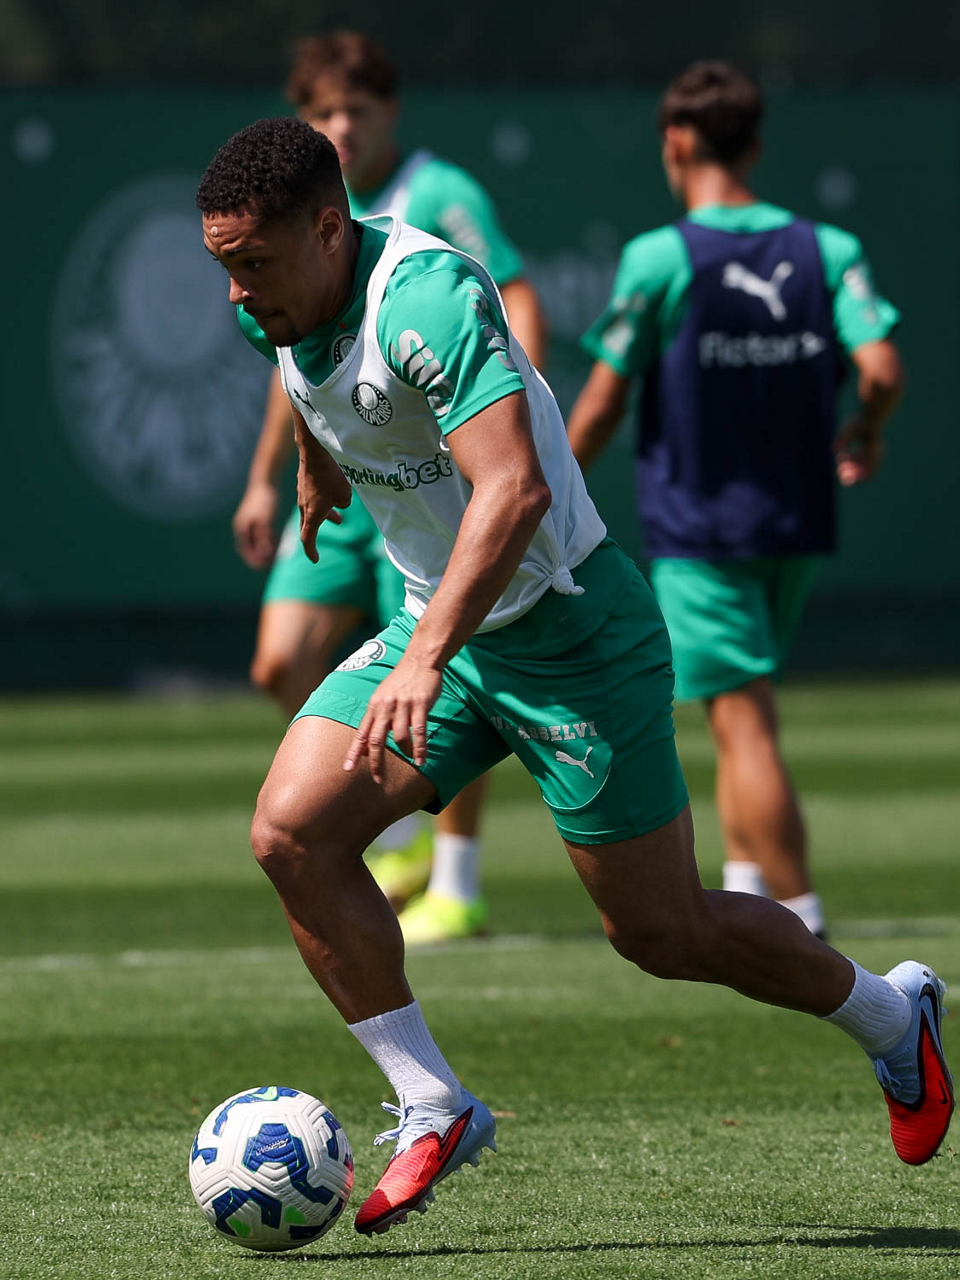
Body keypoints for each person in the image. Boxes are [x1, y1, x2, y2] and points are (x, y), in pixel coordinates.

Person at [196, 116, 952, 1239]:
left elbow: (514, 491)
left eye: (253, 263)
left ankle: (891, 1016)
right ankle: (433, 1102)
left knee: (662, 934)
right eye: (223, 265)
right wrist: (315, 465)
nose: (236, 292)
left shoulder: (428, 298)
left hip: (570, 632)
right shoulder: (276, 300)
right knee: (289, 834)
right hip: (443, 627)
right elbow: (307, 370)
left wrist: (424, 653)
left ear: (325, 229)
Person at [567, 62, 905, 940]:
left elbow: (601, 402)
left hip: (702, 530)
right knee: (738, 714)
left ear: (675, 142)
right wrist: (865, 429)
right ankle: (747, 886)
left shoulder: (659, 257)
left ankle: (801, 923)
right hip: (796, 523)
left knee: (744, 724)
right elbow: (880, 369)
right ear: (753, 145)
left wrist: (543, 491)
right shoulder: (828, 249)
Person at [231, 31, 547, 945]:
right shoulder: (287, 214)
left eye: (355, 111)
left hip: (430, 476)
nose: (339, 127)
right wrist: (274, 473)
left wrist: (511, 423)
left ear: (389, 113)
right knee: (279, 660)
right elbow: (295, 355)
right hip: (347, 474)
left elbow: (514, 299)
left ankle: (455, 878)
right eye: (321, 112)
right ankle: (397, 830)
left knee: (448, 667)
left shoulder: (439, 196)